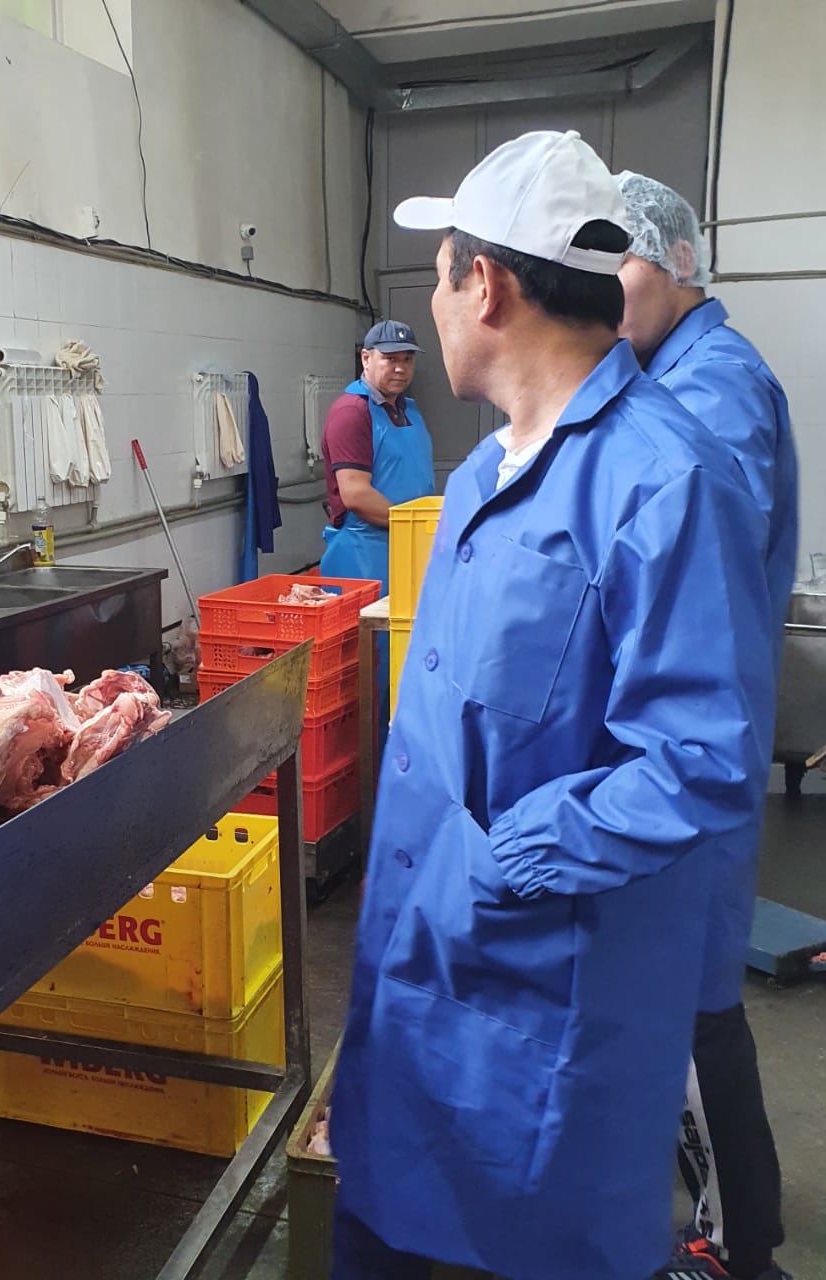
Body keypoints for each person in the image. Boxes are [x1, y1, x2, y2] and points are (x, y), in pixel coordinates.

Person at [330, 131, 777, 1280]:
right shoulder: (478, 479)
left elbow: (698, 759)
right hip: (412, 988)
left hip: (537, 1015)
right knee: (383, 1234)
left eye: (438, 275)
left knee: (519, 1244)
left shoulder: (665, 478)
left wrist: (501, 862)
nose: (432, 306)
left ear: (483, 284)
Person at [617, 171, 798, 1280]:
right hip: (685, 745)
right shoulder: (676, 373)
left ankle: (743, 1250)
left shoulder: (714, 385)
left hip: (695, 753)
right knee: (679, 1005)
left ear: (675, 262)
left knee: (696, 1010)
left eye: (621, 263)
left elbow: (691, 559)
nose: (604, 291)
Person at [319, 319, 435, 586]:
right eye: (390, 358)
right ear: (366, 358)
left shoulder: (409, 409)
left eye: (407, 359)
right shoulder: (352, 412)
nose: (400, 368)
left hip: (410, 545)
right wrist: (414, 525)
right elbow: (356, 494)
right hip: (364, 556)